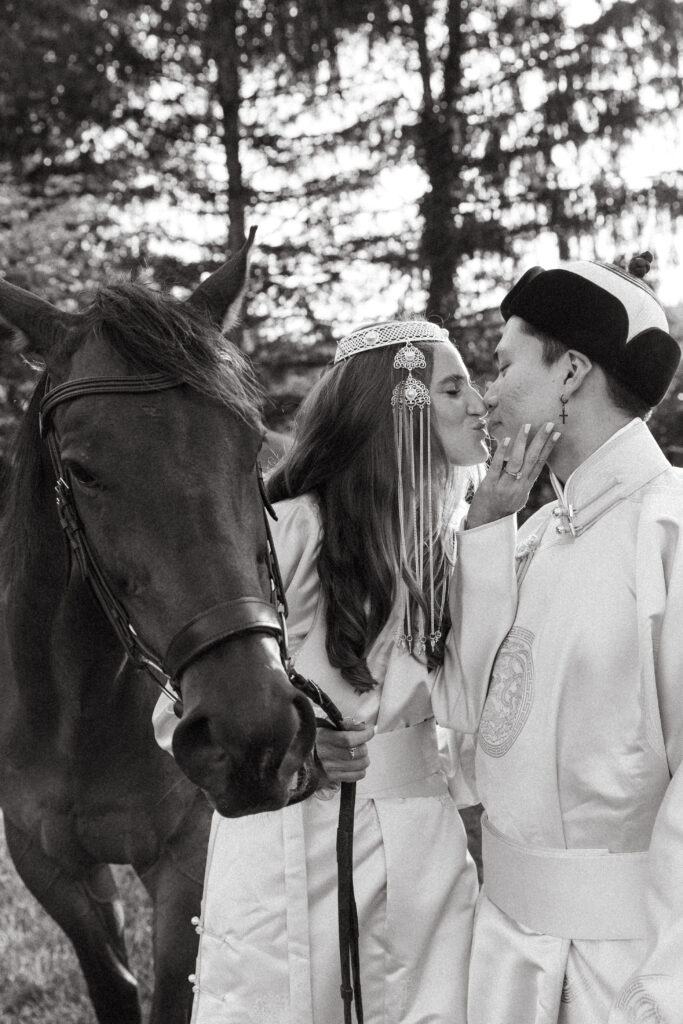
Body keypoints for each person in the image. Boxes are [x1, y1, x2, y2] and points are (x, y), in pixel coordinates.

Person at [153, 318, 557, 1022]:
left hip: (419, 859)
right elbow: (178, 716)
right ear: (394, 408)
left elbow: (472, 703)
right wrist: (297, 740)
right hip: (286, 855)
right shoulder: (284, 531)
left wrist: (490, 519)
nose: (479, 405)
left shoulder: (449, 547)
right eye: (452, 387)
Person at [462, 253, 683, 1024]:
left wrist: (660, 999)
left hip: (623, 985)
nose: (487, 394)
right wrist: (487, 528)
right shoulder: (526, 539)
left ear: (570, 373)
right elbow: (469, 721)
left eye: (502, 365)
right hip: (503, 968)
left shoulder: (671, 532)